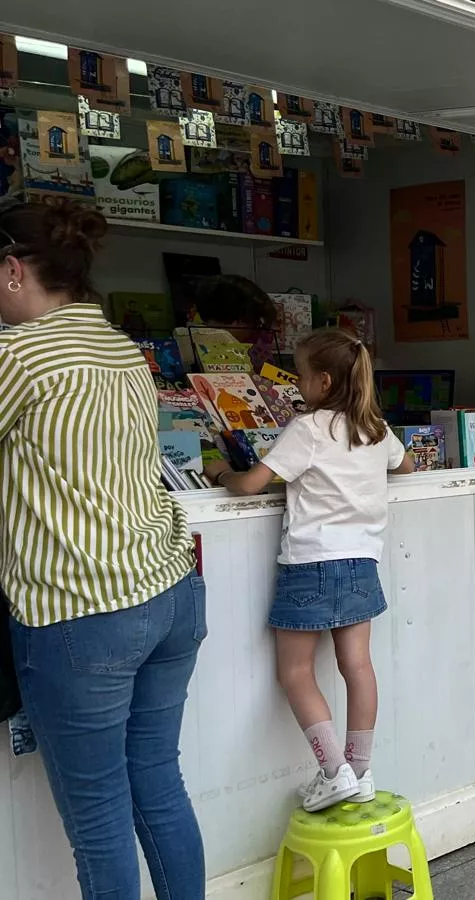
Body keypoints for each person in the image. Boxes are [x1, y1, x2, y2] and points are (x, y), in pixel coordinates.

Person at [0, 198, 207, 898]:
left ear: (10, 271)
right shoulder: (122, 348)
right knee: (157, 782)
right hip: (170, 591)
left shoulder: (18, 355)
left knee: (99, 822)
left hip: (82, 610)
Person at [206, 329, 416, 810]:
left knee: (295, 671)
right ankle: (359, 773)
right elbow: (406, 468)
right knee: (358, 667)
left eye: (299, 375)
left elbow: (251, 485)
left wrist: (219, 471)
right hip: (363, 562)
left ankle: (333, 771)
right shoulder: (376, 429)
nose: (296, 384)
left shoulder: (307, 430)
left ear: (323, 381)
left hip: (310, 564)